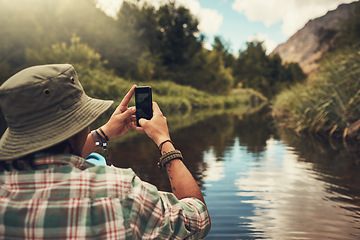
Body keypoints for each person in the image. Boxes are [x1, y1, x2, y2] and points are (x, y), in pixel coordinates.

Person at [0, 64, 210, 239]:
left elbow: (54, 156)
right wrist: (164, 140)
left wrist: (103, 134)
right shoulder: (123, 192)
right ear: (78, 126)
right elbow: (198, 218)